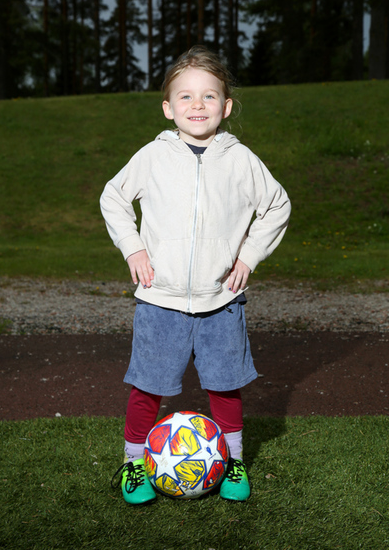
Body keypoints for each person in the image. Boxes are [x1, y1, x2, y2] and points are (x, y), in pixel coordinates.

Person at [100, 46, 291, 505]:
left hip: (220, 300)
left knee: (225, 385)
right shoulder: (153, 156)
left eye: (209, 96)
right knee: (148, 386)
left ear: (226, 106)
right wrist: (134, 247)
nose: (198, 105)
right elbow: (113, 198)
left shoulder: (240, 159)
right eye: (185, 96)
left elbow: (277, 205)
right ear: (168, 108)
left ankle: (234, 461)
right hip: (159, 298)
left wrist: (248, 256)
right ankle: (133, 463)